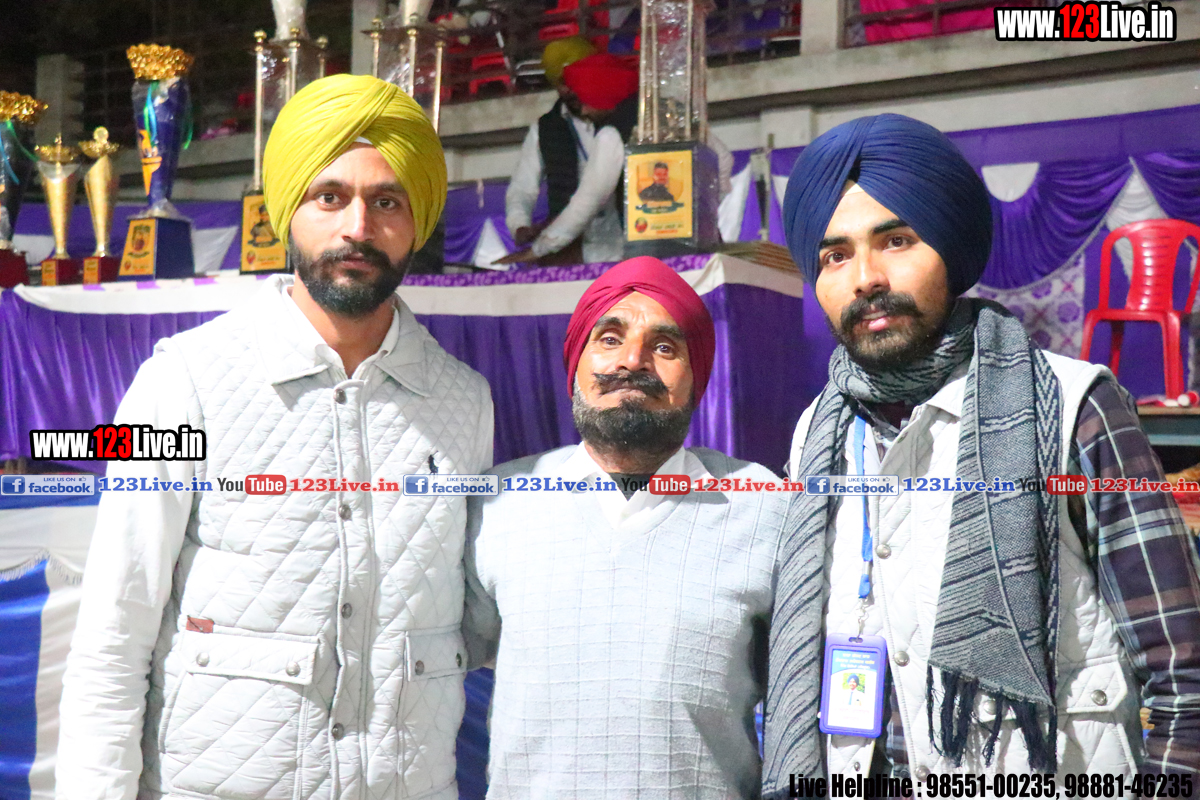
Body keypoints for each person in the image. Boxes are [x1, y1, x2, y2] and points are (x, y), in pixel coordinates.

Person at [56, 74, 494, 799]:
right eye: (330, 197)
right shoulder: (184, 382)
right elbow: (114, 628)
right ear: (289, 211)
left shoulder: (463, 402)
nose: (358, 227)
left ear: (417, 221)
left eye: (387, 201)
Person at [765, 113, 1200, 788]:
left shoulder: (1075, 409)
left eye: (896, 241)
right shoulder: (814, 437)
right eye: (835, 256)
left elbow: (1186, 676)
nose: (866, 277)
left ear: (951, 248)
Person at [463, 257, 825, 797]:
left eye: (664, 347)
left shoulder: (763, 506)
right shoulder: (498, 501)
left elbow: (802, 691)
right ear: (576, 365)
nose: (632, 361)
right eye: (609, 339)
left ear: (696, 380)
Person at [504, 36, 599, 263]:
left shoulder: (617, 120)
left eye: (576, 81)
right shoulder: (545, 128)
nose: (570, 90)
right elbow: (522, 187)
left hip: (614, 245)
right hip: (565, 248)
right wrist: (520, 225)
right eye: (563, 83)